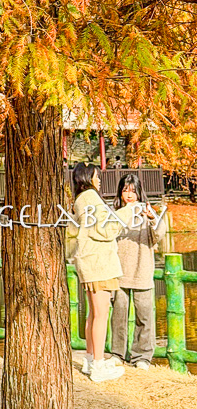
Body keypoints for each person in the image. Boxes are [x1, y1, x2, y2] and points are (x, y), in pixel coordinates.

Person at [68, 162, 126, 382]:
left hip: (90, 261)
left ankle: (91, 359)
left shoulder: (81, 199)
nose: (99, 180)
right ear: (87, 177)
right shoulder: (91, 198)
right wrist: (125, 214)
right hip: (98, 262)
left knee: (93, 314)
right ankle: (99, 367)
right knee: (101, 315)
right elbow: (105, 230)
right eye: (96, 176)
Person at [110, 173, 167, 370]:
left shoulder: (147, 212)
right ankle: (117, 353)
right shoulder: (115, 212)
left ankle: (142, 357)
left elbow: (159, 234)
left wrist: (152, 218)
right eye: (125, 190)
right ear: (120, 192)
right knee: (118, 316)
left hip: (142, 270)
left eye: (133, 191)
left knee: (144, 317)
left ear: (139, 192)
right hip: (119, 272)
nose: (129, 195)